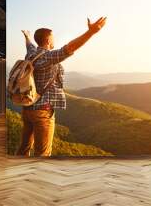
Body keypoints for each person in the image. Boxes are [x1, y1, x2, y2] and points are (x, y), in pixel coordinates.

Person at [16, 17, 107, 157]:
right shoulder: (48, 57)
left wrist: (27, 37)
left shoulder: (32, 53)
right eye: (53, 38)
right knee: (42, 153)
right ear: (47, 41)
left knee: (24, 149)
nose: (54, 40)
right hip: (42, 112)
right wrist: (91, 32)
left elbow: (29, 45)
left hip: (27, 109)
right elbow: (70, 48)